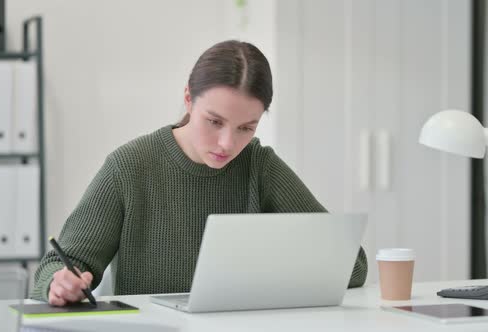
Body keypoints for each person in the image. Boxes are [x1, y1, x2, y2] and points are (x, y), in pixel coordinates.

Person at [31, 40, 368, 306]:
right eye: (215, 121)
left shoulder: (259, 166)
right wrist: (60, 283)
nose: (227, 143)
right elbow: (56, 267)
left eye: (246, 128)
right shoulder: (130, 166)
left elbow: (351, 266)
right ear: (188, 98)